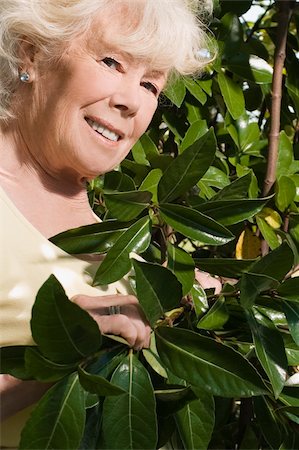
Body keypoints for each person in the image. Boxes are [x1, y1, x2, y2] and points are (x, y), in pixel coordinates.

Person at [0, 0, 215, 446]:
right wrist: (59, 351)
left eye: (152, 86)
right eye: (112, 62)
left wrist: (203, 300)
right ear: (31, 53)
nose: (131, 101)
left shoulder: (124, 246)